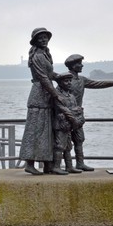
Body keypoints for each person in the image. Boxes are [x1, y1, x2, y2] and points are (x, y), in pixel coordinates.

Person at [19, 28, 72, 175]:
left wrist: (62, 77)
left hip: (46, 95)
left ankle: (48, 163)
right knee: (35, 130)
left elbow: (49, 75)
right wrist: (56, 94)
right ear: (35, 41)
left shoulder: (45, 54)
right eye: (40, 38)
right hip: (39, 95)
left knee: (46, 131)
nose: (43, 40)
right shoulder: (37, 56)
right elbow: (43, 78)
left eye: (45, 37)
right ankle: (29, 163)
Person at [65, 54, 113, 171]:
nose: (81, 65)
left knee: (79, 139)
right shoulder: (65, 79)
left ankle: (80, 163)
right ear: (73, 66)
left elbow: (97, 84)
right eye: (79, 63)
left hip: (78, 114)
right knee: (66, 141)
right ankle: (68, 166)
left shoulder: (82, 80)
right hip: (65, 114)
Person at [53, 73, 84, 174]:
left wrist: (77, 117)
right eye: (66, 81)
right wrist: (73, 118)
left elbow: (75, 109)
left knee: (68, 147)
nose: (69, 83)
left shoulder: (71, 96)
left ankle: (69, 166)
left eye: (70, 81)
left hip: (69, 125)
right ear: (60, 83)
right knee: (60, 146)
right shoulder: (57, 96)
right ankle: (56, 167)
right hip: (61, 125)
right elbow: (64, 110)